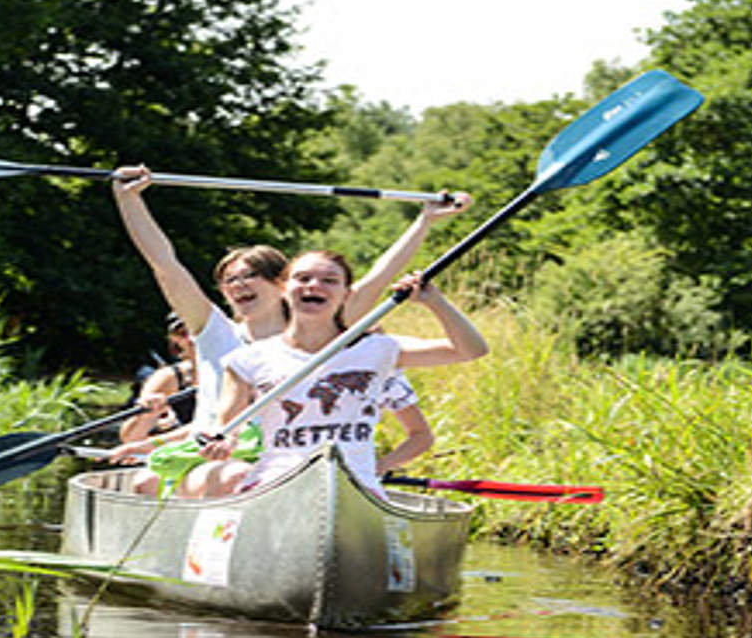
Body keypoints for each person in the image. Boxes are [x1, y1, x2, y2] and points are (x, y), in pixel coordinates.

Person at [110, 166, 473, 495]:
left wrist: (425, 221)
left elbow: (379, 275)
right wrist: (129, 201)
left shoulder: (320, 331)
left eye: (249, 276)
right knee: (184, 479)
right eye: (229, 280)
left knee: (274, 475)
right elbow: (164, 264)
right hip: (217, 458)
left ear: (280, 284)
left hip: (293, 464)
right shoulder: (214, 331)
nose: (238, 285)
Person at [193, 250, 488, 498]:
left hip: (357, 485)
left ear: (345, 294)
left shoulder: (378, 350)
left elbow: (471, 350)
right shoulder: (245, 360)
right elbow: (227, 427)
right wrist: (222, 443)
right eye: (303, 278)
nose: (314, 285)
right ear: (283, 288)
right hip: (274, 481)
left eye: (329, 280)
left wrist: (435, 302)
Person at [119, 312, 197, 443]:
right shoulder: (168, 377)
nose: (191, 339)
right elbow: (130, 438)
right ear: (175, 340)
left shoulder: (237, 368)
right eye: (182, 333)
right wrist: (148, 416)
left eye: (198, 332)